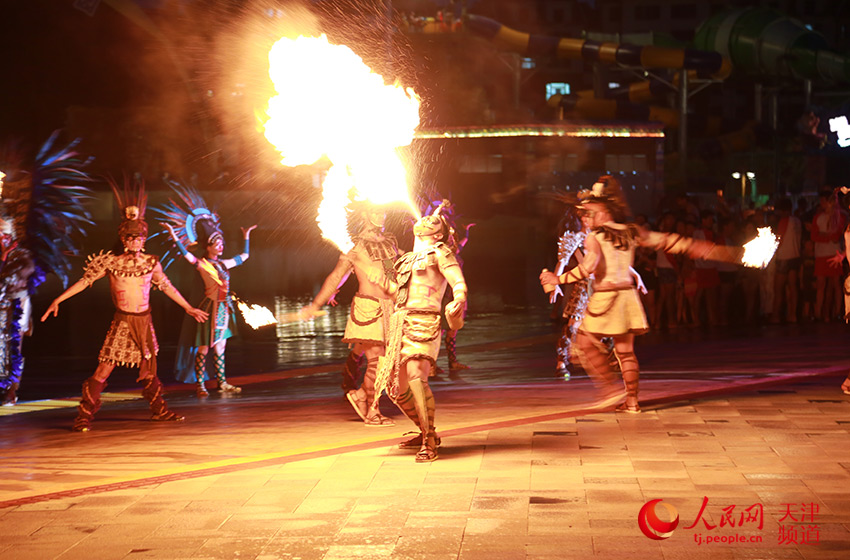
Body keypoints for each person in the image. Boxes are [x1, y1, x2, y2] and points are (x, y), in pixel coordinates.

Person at [540, 176, 742, 413]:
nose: (585, 217)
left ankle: (610, 389)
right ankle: (632, 402)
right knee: (625, 352)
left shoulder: (595, 237)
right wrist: (708, 250)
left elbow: (587, 268)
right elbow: (669, 241)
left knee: (583, 343)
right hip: (627, 298)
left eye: (589, 212)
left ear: (603, 211)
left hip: (606, 298)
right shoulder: (631, 231)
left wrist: (557, 279)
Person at [40, 182, 207, 432]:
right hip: (123, 321)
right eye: (130, 238)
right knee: (104, 368)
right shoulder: (110, 262)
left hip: (144, 320)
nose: (135, 242)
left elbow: (167, 286)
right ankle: (84, 415)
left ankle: (159, 411)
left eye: (139, 237)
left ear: (144, 239)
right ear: (123, 239)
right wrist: (58, 299)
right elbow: (84, 282)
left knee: (149, 368)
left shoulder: (152, 262)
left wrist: (188, 307)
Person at [0, 134, 93, 406]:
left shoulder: (22, 254)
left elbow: (25, 272)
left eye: (5, 234)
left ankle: (10, 390)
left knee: (12, 344)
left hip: (14, 302)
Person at [373, 200, 467, 462]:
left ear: (438, 234)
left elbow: (458, 282)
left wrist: (458, 298)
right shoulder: (405, 259)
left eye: (433, 221)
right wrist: (383, 285)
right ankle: (425, 430)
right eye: (425, 217)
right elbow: (399, 294)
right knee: (395, 388)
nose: (426, 219)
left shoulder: (441, 253)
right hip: (400, 323)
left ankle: (429, 439)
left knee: (416, 376)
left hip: (425, 321)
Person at [301, 200, 400, 427]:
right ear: (364, 213)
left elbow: (399, 271)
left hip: (390, 309)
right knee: (378, 363)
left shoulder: (391, 242)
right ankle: (372, 410)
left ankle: (362, 396)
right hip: (368, 309)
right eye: (375, 211)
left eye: (382, 211)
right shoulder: (354, 247)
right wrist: (316, 304)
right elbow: (337, 276)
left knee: (387, 365)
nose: (380, 215)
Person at [157, 183, 255, 397]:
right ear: (208, 247)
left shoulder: (223, 264)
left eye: (222, 243)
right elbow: (186, 255)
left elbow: (244, 257)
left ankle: (222, 382)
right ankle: (200, 384)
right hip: (209, 309)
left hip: (224, 310)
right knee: (204, 348)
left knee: (221, 348)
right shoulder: (202, 264)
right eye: (217, 244)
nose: (221, 247)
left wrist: (246, 236)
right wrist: (174, 235)